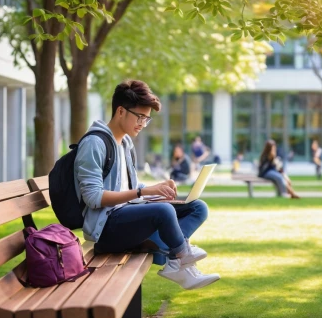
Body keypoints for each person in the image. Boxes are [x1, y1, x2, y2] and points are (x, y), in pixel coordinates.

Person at [74, 80, 219, 290]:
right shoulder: (95, 143)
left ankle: (176, 260)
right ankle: (180, 257)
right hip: (106, 229)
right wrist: (144, 192)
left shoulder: (125, 143)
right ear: (121, 111)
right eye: (140, 117)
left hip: (128, 215)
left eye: (147, 119)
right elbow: (93, 198)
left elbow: (128, 185)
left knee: (198, 207)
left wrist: (156, 191)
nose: (142, 124)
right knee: (163, 211)